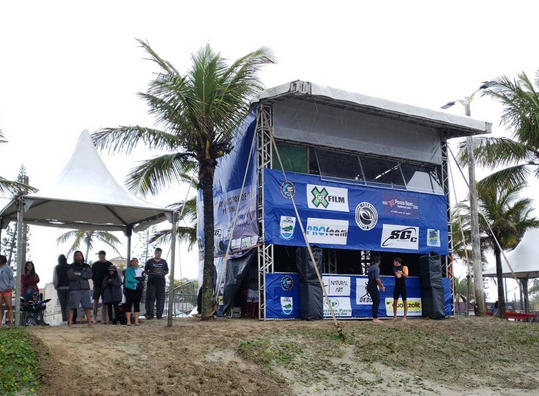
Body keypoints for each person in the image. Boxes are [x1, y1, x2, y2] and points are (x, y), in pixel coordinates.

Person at [67, 250, 93, 328]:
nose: (79, 256)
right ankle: (70, 324)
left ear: (82, 256)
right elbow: (70, 277)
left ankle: (89, 323)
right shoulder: (70, 266)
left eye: (80, 255)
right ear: (74, 257)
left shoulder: (87, 266)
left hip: (85, 288)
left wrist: (79, 274)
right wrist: (82, 276)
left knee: (87, 306)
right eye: (77, 255)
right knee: (72, 307)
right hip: (74, 289)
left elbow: (89, 275)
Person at [144, 248, 169, 320]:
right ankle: (150, 314)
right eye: (157, 253)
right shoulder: (150, 261)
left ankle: (159, 315)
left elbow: (167, 270)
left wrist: (162, 274)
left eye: (160, 253)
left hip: (161, 283)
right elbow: (145, 270)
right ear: (155, 253)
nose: (158, 254)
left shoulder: (164, 262)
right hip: (151, 282)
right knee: (150, 298)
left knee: (160, 299)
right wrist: (150, 274)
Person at [92, 250, 112, 324]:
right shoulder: (95, 264)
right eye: (99, 255)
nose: (100, 256)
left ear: (104, 255)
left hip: (106, 286)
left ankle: (104, 319)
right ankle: (94, 319)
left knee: (104, 303)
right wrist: (95, 280)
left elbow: (112, 273)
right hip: (97, 285)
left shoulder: (109, 264)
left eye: (101, 255)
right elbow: (92, 274)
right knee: (95, 302)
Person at [124, 258, 145, 326]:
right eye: (133, 261)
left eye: (136, 261)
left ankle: (136, 321)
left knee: (137, 304)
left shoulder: (140, 270)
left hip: (138, 289)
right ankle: (128, 321)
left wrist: (139, 280)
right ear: (131, 263)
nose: (135, 262)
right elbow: (129, 278)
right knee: (129, 304)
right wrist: (138, 280)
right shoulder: (128, 270)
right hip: (129, 288)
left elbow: (143, 278)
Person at [367, 255, 385, 323]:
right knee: (376, 301)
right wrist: (381, 285)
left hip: (370, 285)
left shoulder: (371, 267)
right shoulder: (376, 268)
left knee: (375, 301)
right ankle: (375, 318)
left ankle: (375, 317)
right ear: (379, 262)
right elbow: (377, 278)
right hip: (372, 286)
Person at [53, 254, 70, 324]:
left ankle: (64, 320)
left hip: (60, 288)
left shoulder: (57, 267)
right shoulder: (69, 267)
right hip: (69, 287)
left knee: (63, 305)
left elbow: (55, 278)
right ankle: (70, 319)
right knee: (69, 304)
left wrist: (55, 286)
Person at [392, 257, 409, 321]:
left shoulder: (404, 267)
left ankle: (404, 317)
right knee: (395, 301)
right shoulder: (394, 268)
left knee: (404, 301)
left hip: (403, 286)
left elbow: (406, 275)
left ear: (397, 262)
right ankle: (395, 316)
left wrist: (401, 273)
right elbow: (398, 276)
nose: (393, 263)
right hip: (397, 286)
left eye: (394, 262)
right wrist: (400, 274)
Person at [0, 255, 14, 327]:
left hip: (7, 290)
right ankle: (0, 324)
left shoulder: (7, 268)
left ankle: (11, 323)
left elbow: (12, 278)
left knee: (9, 306)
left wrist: (10, 286)